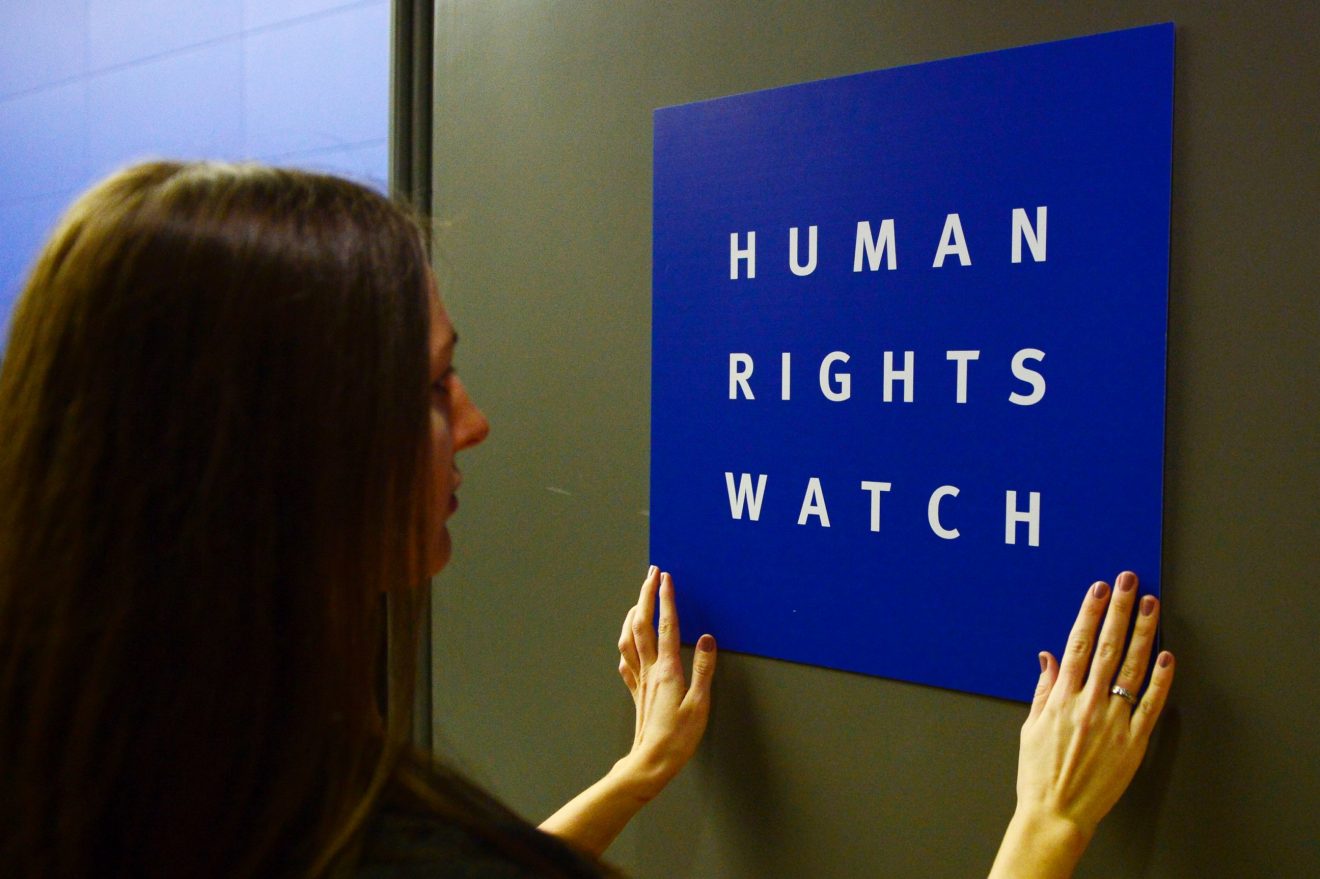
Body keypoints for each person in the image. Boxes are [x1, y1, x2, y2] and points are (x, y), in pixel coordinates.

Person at [0, 161, 1172, 878]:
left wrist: (639, 770)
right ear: (284, 455)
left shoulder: (111, 783)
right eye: (432, 386)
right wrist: (1046, 825)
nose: (475, 422)